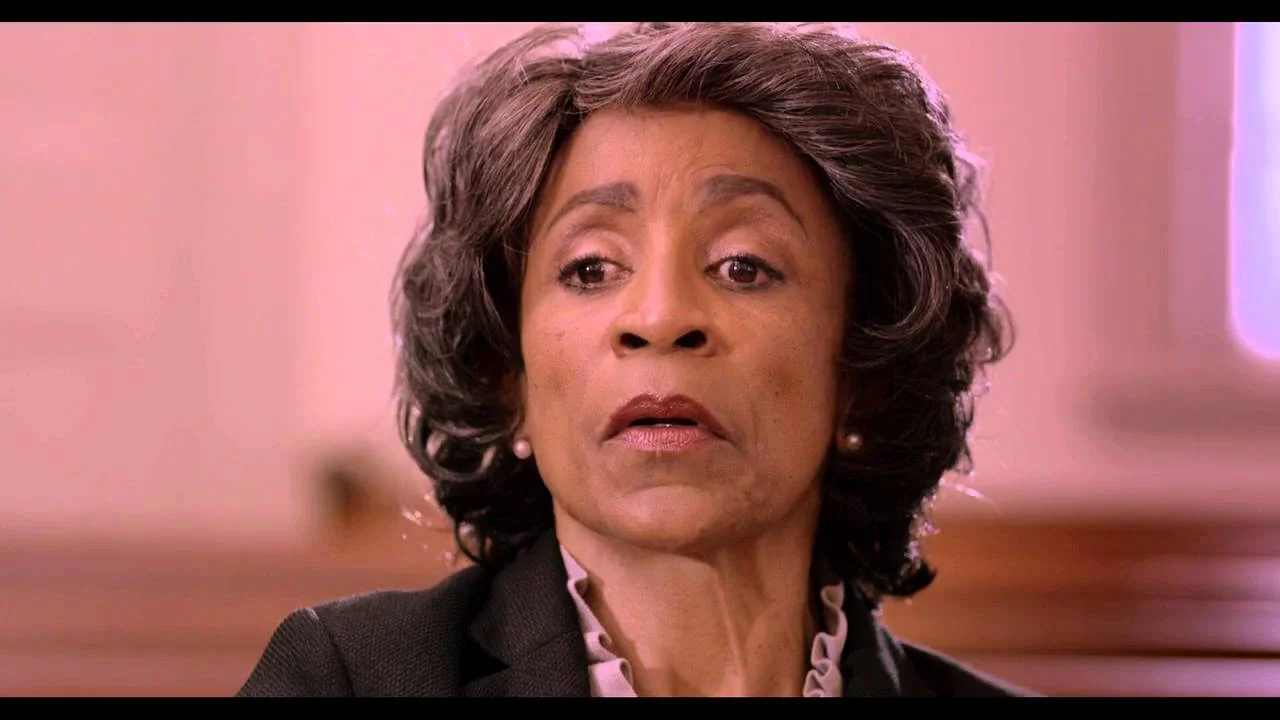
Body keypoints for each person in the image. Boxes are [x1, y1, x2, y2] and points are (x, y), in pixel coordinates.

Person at [238, 21, 1027, 697]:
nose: (659, 318)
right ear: (505, 374)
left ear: (865, 370)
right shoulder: (349, 679)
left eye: (742, 266)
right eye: (590, 269)